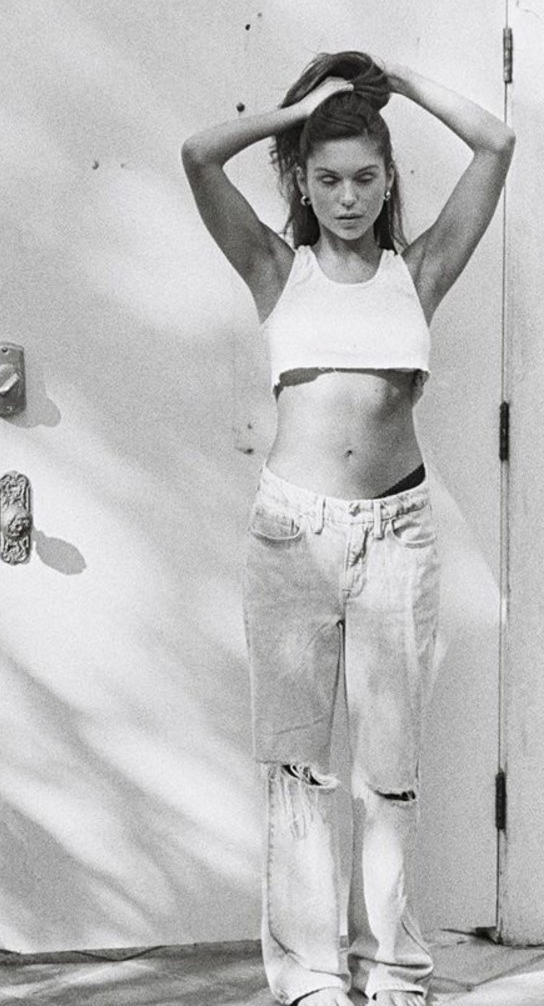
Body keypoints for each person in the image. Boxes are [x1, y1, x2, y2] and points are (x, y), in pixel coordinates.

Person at [179, 52, 515, 1006]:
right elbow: (199, 155)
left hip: (397, 535)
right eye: (327, 179)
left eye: (366, 177)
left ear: (388, 177)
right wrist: (300, 111)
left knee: (390, 771)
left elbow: (496, 143)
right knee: (296, 767)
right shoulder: (274, 269)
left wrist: (396, 81)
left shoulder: (420, 272)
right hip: (292, 538)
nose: (348, 198)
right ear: (302, 181)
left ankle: (391, 968)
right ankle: (311, 977)